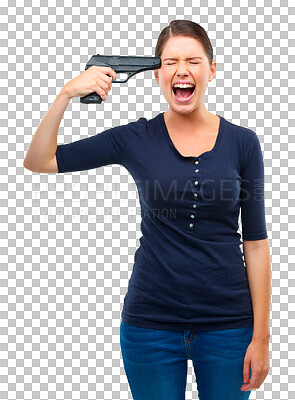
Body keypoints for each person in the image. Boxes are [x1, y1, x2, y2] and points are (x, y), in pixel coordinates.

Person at [23, 19, 271, 400]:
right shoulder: (135, 138)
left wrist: (262, 336)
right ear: (156, 73)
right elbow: (40, 160)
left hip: (229, 328)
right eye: (170, 62)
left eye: (193, 61)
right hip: (150, 327)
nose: (182, 70)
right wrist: (66, 94)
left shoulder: (244, 143)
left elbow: (255, 243)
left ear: (212, 70)